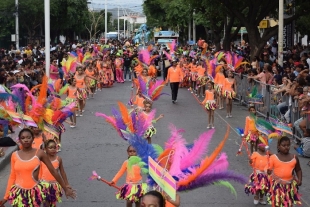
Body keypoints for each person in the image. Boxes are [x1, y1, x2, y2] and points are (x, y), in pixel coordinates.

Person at [0, 128, 76, 207]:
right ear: (19, 140)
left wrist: (65, 188)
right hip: (18, 194)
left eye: (28, 137)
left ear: (33, 138)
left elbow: (53, 171)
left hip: (34, 194)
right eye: (23, 138)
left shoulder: (40, 153)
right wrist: (6, 197)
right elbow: (12, 176)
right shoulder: (14, 155)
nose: (26, 140)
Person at [267, 136, 302, 207]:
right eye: (283, 145)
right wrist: (268, 171)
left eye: (288, 145)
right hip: (277, 185)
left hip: (289, 185)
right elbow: (268, 170)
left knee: (288, 203)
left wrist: (299, 179)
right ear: (278, 146)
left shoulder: (294, 157)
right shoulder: (273, 157)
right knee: (277, 202)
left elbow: (298, 169)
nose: (286, 147)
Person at [40, 139, 72, 207]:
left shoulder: (58, 159)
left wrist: (67, 184)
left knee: (53, 203)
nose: (53, 149)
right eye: (50, 148)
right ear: (45, 149)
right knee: (46, 204)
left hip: (54, 185)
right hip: (44, 185)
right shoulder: (42, 159)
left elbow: (62, 172)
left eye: (54, 147)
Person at [244, 139, 269, 205]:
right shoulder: (255, 154)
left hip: (265, 174)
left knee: (263, 188)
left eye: (265, 144)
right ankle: (256, 196)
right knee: (258, 187)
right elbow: (252, 164)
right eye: (262, 144)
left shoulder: (267, 155)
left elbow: (269, 164)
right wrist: (251, 162)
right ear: (258, 146)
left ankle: (261, 198)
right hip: (257, 174)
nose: (264, 146)